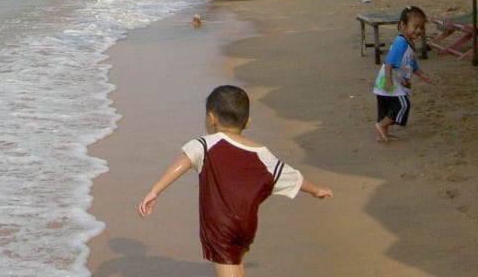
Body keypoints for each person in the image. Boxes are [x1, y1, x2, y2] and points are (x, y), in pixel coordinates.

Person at [138, 85, 333, 276]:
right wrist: (317, 190)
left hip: (220, 226)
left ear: (211, 118)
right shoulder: (262, 153)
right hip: (246, 224)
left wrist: (154, 191)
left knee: (229, 269)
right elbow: (292, 177)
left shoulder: (206, 144)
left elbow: (182, 163)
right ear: (247, 122)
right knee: (236, 265)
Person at [373, 5, 432, 142]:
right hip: (390, 80)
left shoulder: (409, 42)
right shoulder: (401, 42)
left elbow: (411, 62)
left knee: (385, 107)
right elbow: (389, 63)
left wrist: (421, 74)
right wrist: (389, 80)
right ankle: (382, 125)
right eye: (415, 26)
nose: (418, 30)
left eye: (421, 27)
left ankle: (382, 134)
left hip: (389, 80)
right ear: (403, 25)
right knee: (403, 105)